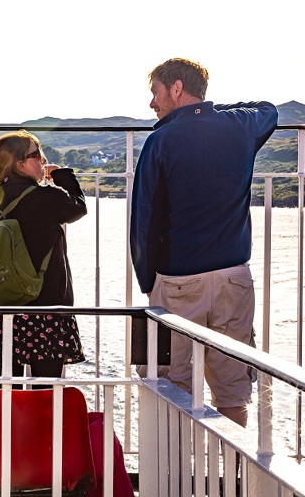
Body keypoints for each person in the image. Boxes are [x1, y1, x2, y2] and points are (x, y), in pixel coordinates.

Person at [130, 57, 278, 427]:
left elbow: (143, 224)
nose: (152, 104)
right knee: (233, 392)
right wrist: (207, 111)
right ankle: (234, 480)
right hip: (234, 280)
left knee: (170, 388)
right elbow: (269, 110)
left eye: (156, 93)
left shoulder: (160, 140)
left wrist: (149, 284)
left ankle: (174, 481)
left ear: (176, 88)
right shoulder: (240, 126)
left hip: (179, 284)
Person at [0, 130, 87, 385]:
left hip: (3, 312)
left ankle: (7, 426)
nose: (43, 160)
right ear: (20, 163)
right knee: (46, 393)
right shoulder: (46, 198)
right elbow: (79, 206)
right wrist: (61, 176)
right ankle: (41, 427)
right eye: (37, 155)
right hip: (45, 310)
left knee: (6, 391)